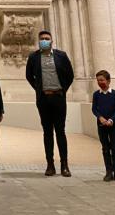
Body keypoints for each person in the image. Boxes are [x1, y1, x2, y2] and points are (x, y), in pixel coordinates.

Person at [25, 29, 74, 177]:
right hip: (43, 99)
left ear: (52, 41)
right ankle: (50, 165)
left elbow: (69, 75)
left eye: (47, 38)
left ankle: (64, 165)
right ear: (39, 41)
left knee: (60, 131)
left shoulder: (61, 56)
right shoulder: (33, 57)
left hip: (59, 97)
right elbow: (29, 76)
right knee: (47, 132)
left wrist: (62, 89)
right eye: (42, 39)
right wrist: (39, 89)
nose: (44, 41)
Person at [92, 69, 115, 183]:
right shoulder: (96, 94)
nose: (100, 82)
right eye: (98, 80)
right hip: (101, 125)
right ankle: (108, 172)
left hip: (113, 125)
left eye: (102, 80)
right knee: (105, 149)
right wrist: (100, 117)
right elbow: (94, 109)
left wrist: (111, 119)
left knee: (114, 148)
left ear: (108, 80)